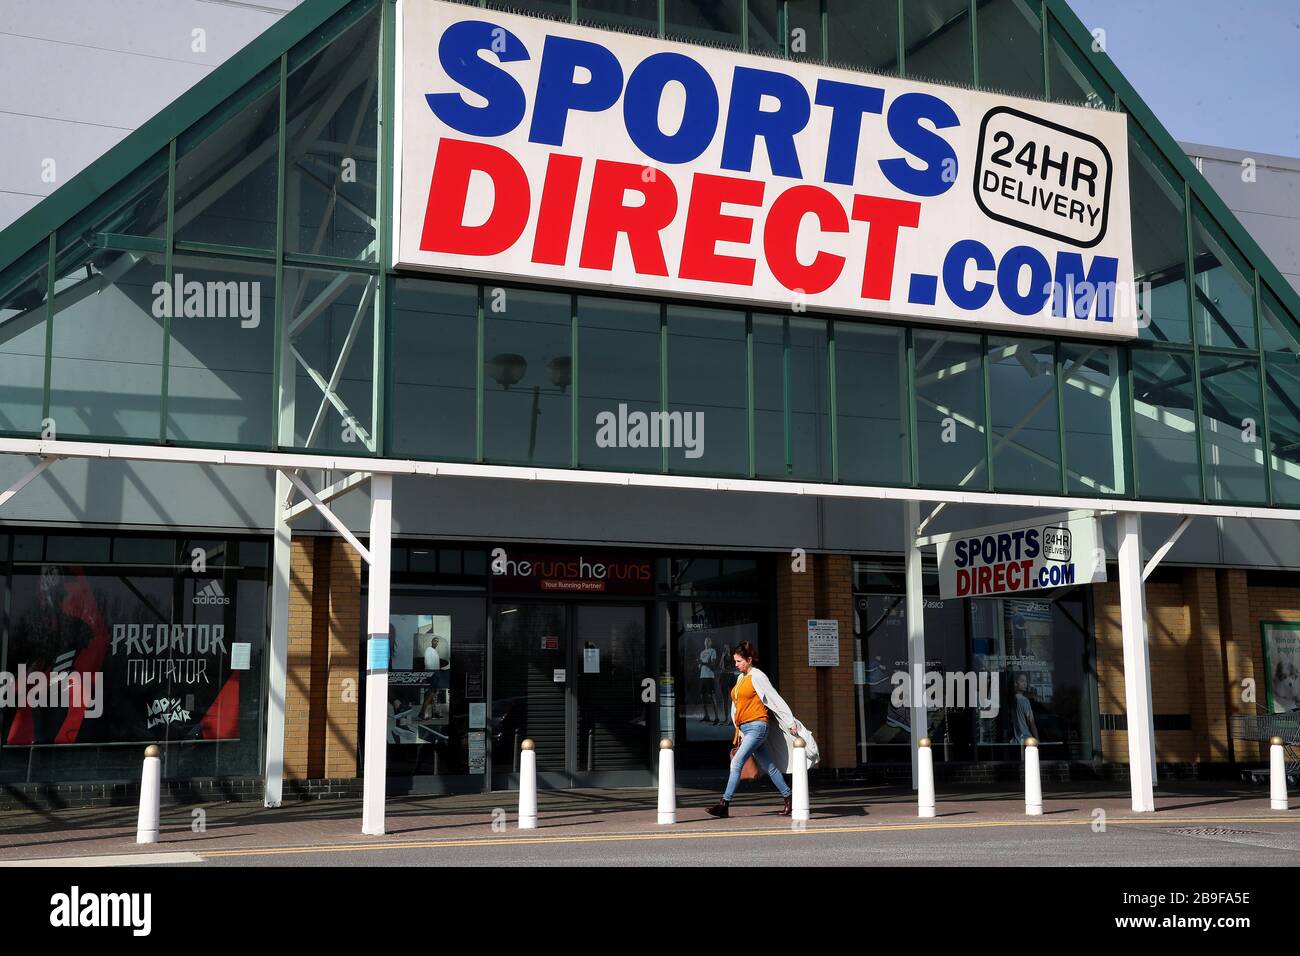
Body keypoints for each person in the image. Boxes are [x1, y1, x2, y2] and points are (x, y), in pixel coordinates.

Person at [707, 640, 819, 819]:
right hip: (747, 728)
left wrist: (790, 721)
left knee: (736, 763)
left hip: (758, 727)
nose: (736, 665)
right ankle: (789, 798)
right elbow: (737, 705)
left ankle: (724, 804)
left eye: (739, 661)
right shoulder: (741, 678)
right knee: (770, 767)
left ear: (749, 660)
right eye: (735, 661)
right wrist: (740, 729)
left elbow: (774, 698)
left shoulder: (757, 676)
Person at [1012, 672, 1039, 744]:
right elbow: (1031, 723)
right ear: (1015, 683)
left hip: (1015, 741)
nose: (1025, 684)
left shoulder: (1012, 700)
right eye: (1022, 681)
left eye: (1026, 681)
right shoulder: (1025, 701)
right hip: (1026, 740)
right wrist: (1037, 740)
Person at [698, 636, 719, 724]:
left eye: (709, 640)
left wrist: (703, 663)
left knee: (711, 696)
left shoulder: (713, 651)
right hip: (702, 676)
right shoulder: (702, 652)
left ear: (711, 643)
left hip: (709, 676)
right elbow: (700, 666)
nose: (707, 641)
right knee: (702, 696)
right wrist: (699, 665)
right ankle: (706, 716)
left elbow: (713, 665)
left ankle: (717, 718)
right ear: (704, 642)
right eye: (705, 640)